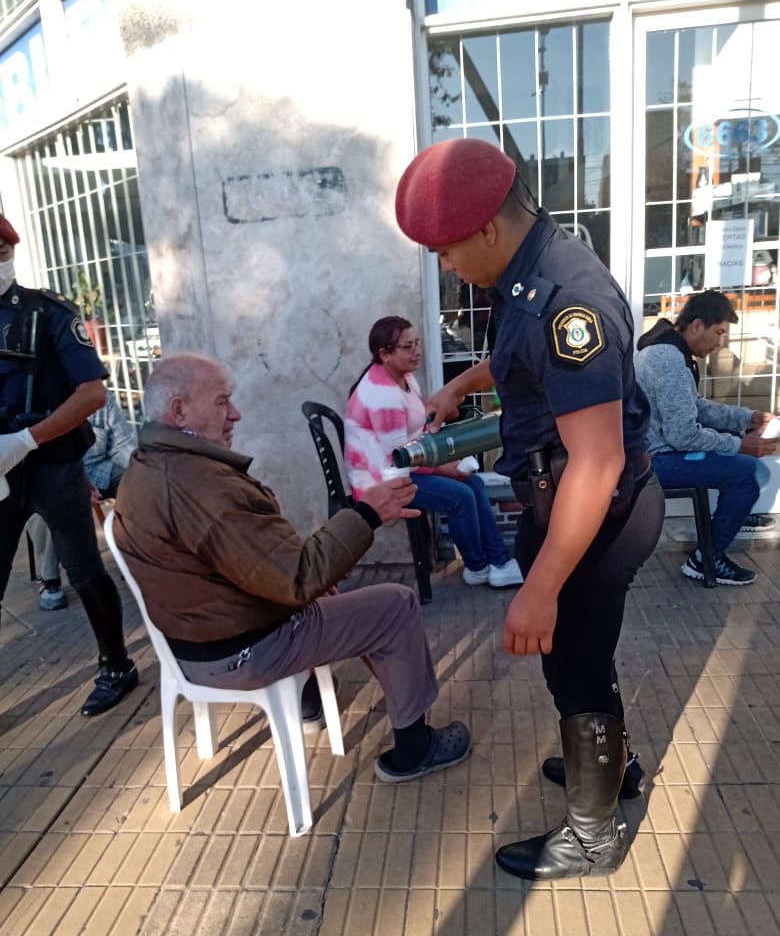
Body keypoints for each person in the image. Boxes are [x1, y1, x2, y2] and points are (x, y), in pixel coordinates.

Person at [394, 138, 666, 880]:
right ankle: (616, 769)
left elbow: (599, 461)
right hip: (571, 500)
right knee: (584, 659)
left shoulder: (567, 302)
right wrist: (460, 387)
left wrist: (538, 588)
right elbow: (518, 353)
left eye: (447, 253)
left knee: (573, 664)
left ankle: (593, 835)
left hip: (597, 511)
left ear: (487, 229)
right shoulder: (532, 271)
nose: (447, 267)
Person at [112, 352, 472, 781]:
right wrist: (367, 515)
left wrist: (310, 583)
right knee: (394, 605)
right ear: (179, 410)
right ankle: (415, 747)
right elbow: (299, 577)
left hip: (191, 647)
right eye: (223, 402)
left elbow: (226, 567)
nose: (236, 414)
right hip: (243, 651)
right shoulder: (201, 485)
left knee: (341, 602)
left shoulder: (146, 466)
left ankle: (307, 702)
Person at [0, 214, 137, 716]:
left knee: (83, 569)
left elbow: (92, 393)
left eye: (1, 252)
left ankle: (117, 664)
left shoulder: (48, 312)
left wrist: (26, 439)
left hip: (53, 463)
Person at [344, 315, 523, 588]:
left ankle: (498, 562)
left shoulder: (402, 378)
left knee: (473, 482)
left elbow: (416, 427)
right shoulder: (383, 397)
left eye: (417, 343)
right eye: (407, 347)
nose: (417, 351)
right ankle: (477, 566)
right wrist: (445, 467)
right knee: (461, 496)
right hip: (383, 480)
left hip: (403, 467)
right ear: (385, 354)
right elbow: (400, 457)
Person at [635, 290, 776, 586]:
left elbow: (695, 407)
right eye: (719, 332)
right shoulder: (668, 358)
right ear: (696, 325)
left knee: (742, 457)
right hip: (655, 461)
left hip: (659, 451)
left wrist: (747, 418)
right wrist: (741, 444)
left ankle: (733, 516)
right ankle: (706, 559)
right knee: (746, 473)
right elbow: (683, 435)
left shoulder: (671, 351)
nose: (720, 342)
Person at [25, 387, 137, 610]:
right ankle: (50, 580)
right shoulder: (41, 399)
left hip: (100, 469)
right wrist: (76, 485)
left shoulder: (102, 398)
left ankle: (136, 557)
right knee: (43, 505)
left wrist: (141, 469)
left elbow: (122, 445)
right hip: (56, 476)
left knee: (138, 485)